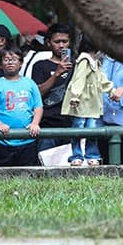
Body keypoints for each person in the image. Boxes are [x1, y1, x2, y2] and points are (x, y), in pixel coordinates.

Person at [0, 48, 43, 166]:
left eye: (14, 59)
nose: (10, 62)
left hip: (28, 139)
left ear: (21, 63)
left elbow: (38, 106)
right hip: (1, 140)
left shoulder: (30, 83)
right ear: (1, 64)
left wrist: (35, 123)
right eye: (6, 60)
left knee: (27, 175)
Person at [61, 47, 113, 167]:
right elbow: (79, 79)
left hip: (92, 102)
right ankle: (77, 155)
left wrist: (111, 90)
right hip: (81, 102)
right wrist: (75, 96)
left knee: (92, 129)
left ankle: (92, 155)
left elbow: (101, 79)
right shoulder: (84, 60)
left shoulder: (96, 62)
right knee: (78, 127)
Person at [30, 23, 74, 151]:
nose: (61, 45)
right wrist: (56, 74)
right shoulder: (40, 66)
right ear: (48, 43)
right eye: (57, 42)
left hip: (71, 124)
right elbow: (38, 93)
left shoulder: (76, 65)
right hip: (47, 124)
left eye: (64, 41)